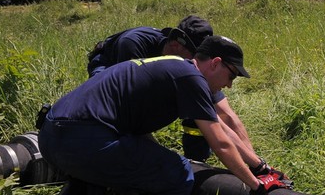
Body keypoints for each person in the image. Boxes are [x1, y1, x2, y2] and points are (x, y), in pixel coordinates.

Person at [36, 36, 291, 195]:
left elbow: (222, 127)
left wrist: (261, 167)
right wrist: (254, 185)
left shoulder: (174, 67)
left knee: (114, 166)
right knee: (176, 173)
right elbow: (220, 143)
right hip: (86, 140)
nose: (230, 85)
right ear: (215, 63)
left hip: (52, 138)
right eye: (231, 76)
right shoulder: (191, 79)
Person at [87, 15, 268, 173]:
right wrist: (161, 160)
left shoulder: (194, 68)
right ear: (176, 45)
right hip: (108, 68)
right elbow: (130, 105)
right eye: (195, 55)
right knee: (117, 119)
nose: (197, 62)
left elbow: (227, 115)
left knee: (196, 105)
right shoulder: (134, 44)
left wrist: (256, 163)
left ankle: (197, 160)